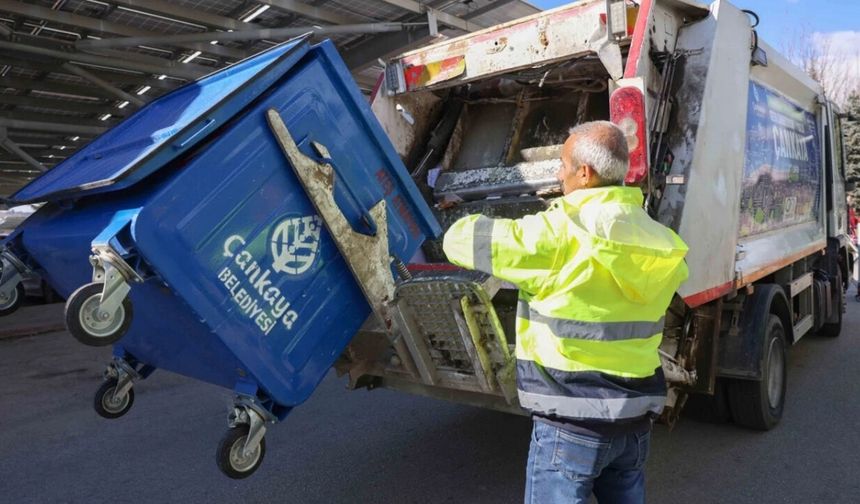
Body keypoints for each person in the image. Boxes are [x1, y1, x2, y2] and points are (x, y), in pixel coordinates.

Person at [442, 121, 689, 503]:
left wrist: (460, 212)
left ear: (585, 174)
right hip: (635, 419)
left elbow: (461, 242)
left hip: (573, 424)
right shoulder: (659, 240)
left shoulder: (557, 233)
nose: (558, 174)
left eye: (562, 164)